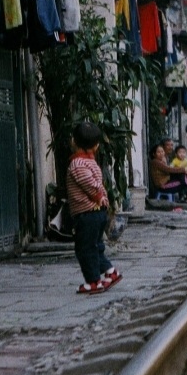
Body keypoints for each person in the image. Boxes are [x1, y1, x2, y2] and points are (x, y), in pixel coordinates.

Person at [66, 122, 121, 294]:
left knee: (85, 249)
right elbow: (99, 183)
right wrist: (103, 197)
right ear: (96, 146)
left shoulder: (77, 163)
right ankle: (111, 273)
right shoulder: (91, 162)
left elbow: (89, 184)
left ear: (73, 141)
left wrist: (98, 197)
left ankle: (93, 281)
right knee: (95, 246)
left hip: (87, 213)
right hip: (97, 213)